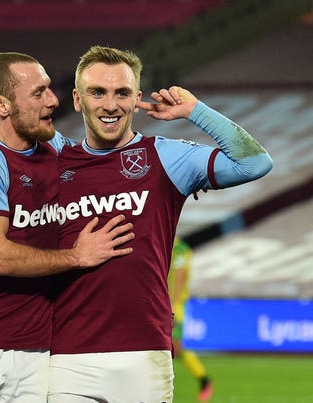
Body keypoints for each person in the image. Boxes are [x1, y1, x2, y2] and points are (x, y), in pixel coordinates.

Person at [49, 46, 272, 402]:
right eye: (97, 92)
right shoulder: (53, 164)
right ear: (78, 100)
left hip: (144, 353)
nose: (110, 105)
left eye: (122, 93)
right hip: (66, 357)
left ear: (137, 98)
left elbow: (255, 163)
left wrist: (195, 112)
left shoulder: (167, 157)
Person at [0, 52, 135, 403]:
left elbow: (112, 171)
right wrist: (75, 257)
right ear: (2, 105)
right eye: (39, 93)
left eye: (50, 90)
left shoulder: (55, 149)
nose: (53, 100)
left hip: (38, 350)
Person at [169, 237, 213, 402]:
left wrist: (173, 304)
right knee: (172, 349)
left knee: (175, 348)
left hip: (173, 306)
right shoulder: (174, 246)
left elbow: (180, 276)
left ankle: (204, 379)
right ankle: (203, 379)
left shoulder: (179, 248)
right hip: (166, 305)